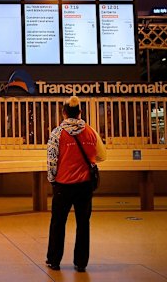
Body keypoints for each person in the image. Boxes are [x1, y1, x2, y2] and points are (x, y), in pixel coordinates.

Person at [45, 96, 106, 273]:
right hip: (84, 185)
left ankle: (54, 260)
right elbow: (102, 156)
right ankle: (80, 263)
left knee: (58, 222)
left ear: (63, 112)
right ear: (80, 112)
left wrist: (52, 180)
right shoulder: (91, 132)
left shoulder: (57, 133)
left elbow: (51, 161)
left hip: (63, 185)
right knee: (83, 223)